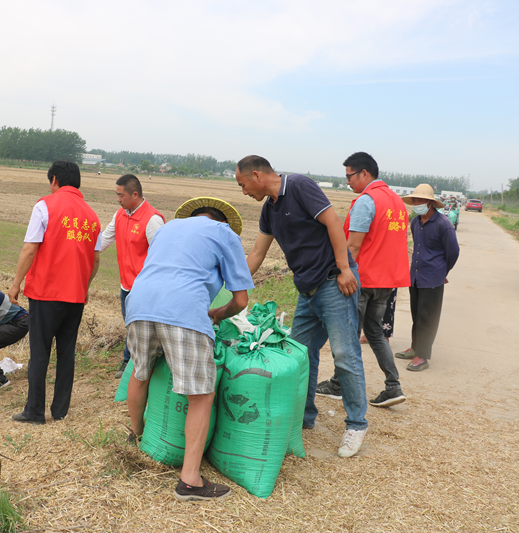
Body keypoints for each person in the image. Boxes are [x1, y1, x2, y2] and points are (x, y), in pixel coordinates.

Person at [236, 155, 368, 458]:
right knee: (299, 354)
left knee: (345, 352)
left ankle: (357, 424)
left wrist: (344, 267)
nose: (244, 192)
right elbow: (257, 252)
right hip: (307, 289)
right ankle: (304, 418)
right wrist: (234, 287)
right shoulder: (269, 209)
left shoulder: (298, 186)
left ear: (256, 175)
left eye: (243, 185)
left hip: (333, 282)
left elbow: (333, 222)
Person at [125, 197, 253, 501]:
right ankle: (190, 480)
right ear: (221, 221)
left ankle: (135, 434)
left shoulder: (168, 229)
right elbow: (241, 301)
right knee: (201, 395)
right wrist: (218, 314)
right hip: (182, 310)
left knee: (140, 372)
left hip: (138, 303)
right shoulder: (225, 234)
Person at [8, 160, 101, 424]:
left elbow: (29, 249)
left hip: (46, 293)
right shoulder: (92, 216)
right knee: (66, 353)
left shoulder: (45, 206)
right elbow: (95, 261)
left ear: (54, 180)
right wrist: (84, 286)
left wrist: (16, 283)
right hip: (75, 297)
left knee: (40, 352)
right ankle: (60, 411)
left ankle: (34, 412)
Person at [315, 153, 410, 408]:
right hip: (387, 281)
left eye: (349, 176)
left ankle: (338, 385)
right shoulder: (397, 202)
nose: (347, 182)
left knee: (348, 333)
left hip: (364, 279)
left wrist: (339, 274)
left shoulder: (367, 201)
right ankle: (393, 386)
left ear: (364, 174)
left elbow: (353, 246)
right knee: (375, 332)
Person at [99, 174, 165, 379]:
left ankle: (130, 363)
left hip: (145, 287)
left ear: (134, 194)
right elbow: (103, 239)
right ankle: (135, 362)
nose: (118, 199)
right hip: (126, 284)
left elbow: (162, 254)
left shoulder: (152, 219)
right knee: (131, 325)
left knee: (140, 327)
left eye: (121, 195)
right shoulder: (120, 214)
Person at [394, 184, 459, 371]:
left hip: (433, 278)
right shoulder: (415, 222)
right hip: (415, 276)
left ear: (430, 203)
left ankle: (423, 356)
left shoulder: (443, 224)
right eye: (414, 200)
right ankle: (415, 348)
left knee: (427, 317)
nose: (416, 203)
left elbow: (453, 252)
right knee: (416, 314)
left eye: (420, 200)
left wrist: (442, 272)